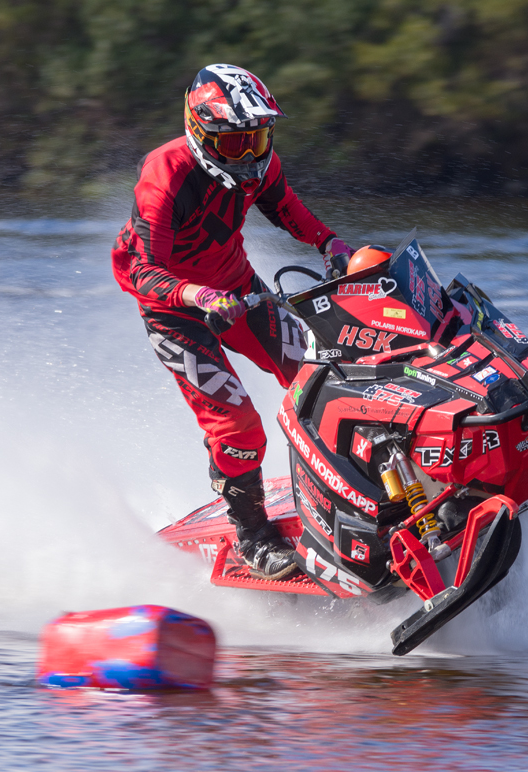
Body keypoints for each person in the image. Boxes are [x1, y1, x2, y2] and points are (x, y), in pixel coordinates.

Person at [111, 64, 352, 580]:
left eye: (260, 137)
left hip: (238, 289)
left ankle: (364, 487)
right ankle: (253, 538)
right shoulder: (165, 174)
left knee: (324, 374)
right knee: (239, 425)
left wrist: (330, 243)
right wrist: (196, 294)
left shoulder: (260, 163)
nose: (252, 153)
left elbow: (287, 208)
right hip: (175, 310)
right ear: (202, 135)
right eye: (238, 142)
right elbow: (143, 270)